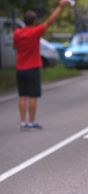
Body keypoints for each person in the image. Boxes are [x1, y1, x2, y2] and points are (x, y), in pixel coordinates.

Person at [13, 0, 71, 130]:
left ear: (24, 21)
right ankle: (31, 122)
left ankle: (22, 122)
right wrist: (60, 6)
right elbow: (50, 21)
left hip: (20, 69)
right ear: (34, 21)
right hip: (32, 68)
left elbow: (15, 46)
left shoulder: (17, 33)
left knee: (22, 96)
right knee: (33, 96)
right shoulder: (35, 32)